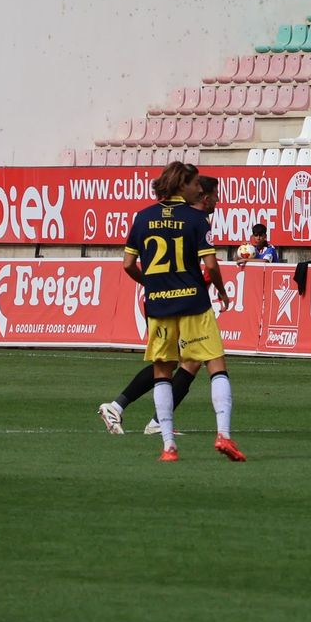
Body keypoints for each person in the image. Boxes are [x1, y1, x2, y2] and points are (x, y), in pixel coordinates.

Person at [121, 162, 245, 462]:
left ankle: (168, 447)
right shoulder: (195, 218)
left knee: (162, 371)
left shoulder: (143, 217)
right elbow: (212, 265)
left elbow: (127, 264)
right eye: (194, 184)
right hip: (193, 303)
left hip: (159, 305)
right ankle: (224, 435)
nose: (199, 189)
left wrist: (150, 283)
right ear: (182, 186)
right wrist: (222, 290)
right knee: (216, 363)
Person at [99, 174, 223, 437]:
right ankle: (147, 417)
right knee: (179, 362)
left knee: (175, 362)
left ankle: (131, 411)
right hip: (183, 300)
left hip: (165, 298)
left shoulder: (157, 217)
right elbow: (202, 266)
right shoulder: (194, 220)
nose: (216, 200)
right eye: (212, 194)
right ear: (203, 195)